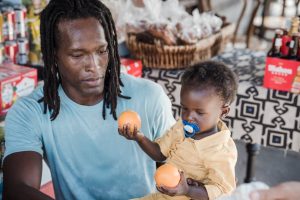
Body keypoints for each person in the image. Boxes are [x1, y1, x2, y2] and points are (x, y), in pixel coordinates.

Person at [2, 0, 176, 199]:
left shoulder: (149, 96)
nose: (94, 66)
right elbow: (17, 189)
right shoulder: (30, 111)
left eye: (101, 51)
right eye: (77, 55)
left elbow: (178, 165)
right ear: (53, 56)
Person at [119, 61, 239, 200]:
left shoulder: (221, 150)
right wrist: (139, 137)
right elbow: (159, 154)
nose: (188, 117)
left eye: (199, 112)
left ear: (223, 111)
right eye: (184, 108)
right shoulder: (181, 127)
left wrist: (187, 190)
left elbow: (223, 192)